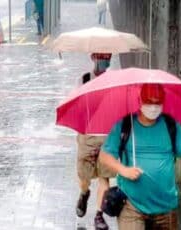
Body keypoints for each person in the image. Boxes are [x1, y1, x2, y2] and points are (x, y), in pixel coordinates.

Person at [99, 84, 181, 230]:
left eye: (157, 102)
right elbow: (105, 156)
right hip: (131, 204)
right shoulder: (125, 124)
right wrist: (123, 170)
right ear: (140, 101)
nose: (153, 107)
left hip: (165, 206)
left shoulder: (171, 125)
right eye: (149, 102)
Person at [76, 52, 113, 230]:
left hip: (107, 137)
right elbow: (77, 107)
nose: (104, 60)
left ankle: (99, 215)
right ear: (92, 57)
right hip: (87, 136)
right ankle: (84, 193)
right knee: (84, 177)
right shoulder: (84, 79)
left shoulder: (114, 81)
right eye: (100, 57)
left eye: (107, 57)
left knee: (104, 178)